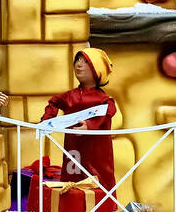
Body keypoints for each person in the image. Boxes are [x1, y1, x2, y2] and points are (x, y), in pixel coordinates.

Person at [40, 48, 118, 189]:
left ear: (96, 68)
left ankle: (103, 209)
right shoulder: (70, 96)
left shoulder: (104, 99)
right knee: (71, 182)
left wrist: (90, 125)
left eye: (85, 61)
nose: (79, 64)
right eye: (77, 60)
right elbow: (53, 102)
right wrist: (47, 121)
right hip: (73, 151)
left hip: (97, 152)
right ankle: (71, 209)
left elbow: (109, 111)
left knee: (99, 182)